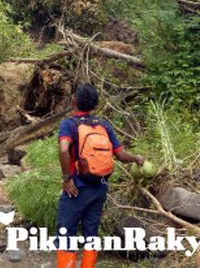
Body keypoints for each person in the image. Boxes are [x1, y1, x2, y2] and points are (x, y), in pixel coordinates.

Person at [56, 84, 144, 268]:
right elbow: (120, 155)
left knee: (66, 233)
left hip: (76, 189)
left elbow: (64, 149)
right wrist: (137, 158)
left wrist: (67, 178)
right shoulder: (103, 125)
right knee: (91, 234)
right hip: (99, 189)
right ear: (95, 105)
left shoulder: (69, 124)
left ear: (74, 101)